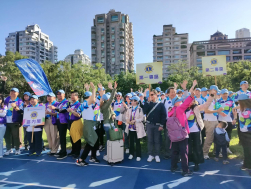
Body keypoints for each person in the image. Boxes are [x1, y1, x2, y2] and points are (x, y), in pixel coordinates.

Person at [72, 82, 100, 166]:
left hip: (94, 124)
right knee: (90, 142)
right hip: (90, 124)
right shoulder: (85, 103)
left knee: (95, 141)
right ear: (90, 97)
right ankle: (81, 159)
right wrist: (94, 89)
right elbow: (93, 100)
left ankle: (93, 157)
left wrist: (87, 90)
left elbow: (78, 114)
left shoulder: (84, 104)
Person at [168, 90, 195, 176]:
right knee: (184, 152)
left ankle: (173, 166)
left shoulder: (171, 111)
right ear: (176, 102)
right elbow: (186, 103)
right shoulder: (179, 109)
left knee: (174, 151)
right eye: (179, 101)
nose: (181, 102)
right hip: (182, 133)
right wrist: (191, 96)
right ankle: (185, 170)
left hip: (173, 134)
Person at [186, 92, 214, 171]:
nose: (191, 102)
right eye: (189, 100)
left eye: (192, 100)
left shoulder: (196, 107)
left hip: (196, 131)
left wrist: (211, 96)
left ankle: (196, 163)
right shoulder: (183, 108)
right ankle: (186, 162)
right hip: (186, 131)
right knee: (188, 147)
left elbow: (206, 105)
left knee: (197, 147)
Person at [143, 88, 166, 163]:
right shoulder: (148, 103)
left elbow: (164, 115)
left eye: (152, 95)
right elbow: (144, 111)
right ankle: (150, 154)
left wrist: (161, 125)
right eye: (150, 95)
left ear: (156, 95)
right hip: (149, 124)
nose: (151, 96)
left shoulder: (161, 104)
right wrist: (147, 102)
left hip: (157, 125)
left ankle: (157, 154)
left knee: (157, 140)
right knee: (150, 140)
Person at [203, 85, 224, 160]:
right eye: (216, 91)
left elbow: (217, 109)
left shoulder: (215, 99)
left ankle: (216, 152)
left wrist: (221, 112)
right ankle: (205, 153)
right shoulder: (206, 99)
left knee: (218, 137)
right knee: (209, 138)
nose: (217, 92)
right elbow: (206, 111)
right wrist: (217, 111)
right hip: (209, 121)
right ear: (212, 90)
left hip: (215, 120)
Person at [49, 90, 69, 160]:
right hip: (58, 121)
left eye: (60, 94)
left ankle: (64, 153)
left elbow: (63, 110)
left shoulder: (66, 102)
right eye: (57, 94)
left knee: (63, 137)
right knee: (61, 136)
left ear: (64, 94)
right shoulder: (60, 103)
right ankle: (62, 150)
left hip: (63, 122)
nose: (59, 95)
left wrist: (55, 108)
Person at [100, 82, 117, 161]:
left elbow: (111, 112)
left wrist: (113, 114)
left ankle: (109, 153)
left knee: (110, 139)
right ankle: (106, 154)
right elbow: (112, 98)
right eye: (109, 98)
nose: (111, 99)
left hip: (110, 124)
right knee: (109, 140)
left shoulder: (106, 105)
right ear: (107, 99)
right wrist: (113, 89)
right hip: (108, 125)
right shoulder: (106, 105)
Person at [233, 94, 251, 170]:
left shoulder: (249, 110)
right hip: (243, 132)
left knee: (248, 149)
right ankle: (247, 164)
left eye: (239, 102)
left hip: (248, 132)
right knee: (246, 149)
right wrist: (235, 118)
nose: (238, 103)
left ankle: (248, 165)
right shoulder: (241, 108)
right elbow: (235, 108)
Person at [125, 96, 146, 161]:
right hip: (130, 128)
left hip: (137, 128)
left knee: (137, 142)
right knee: (131, 141)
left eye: (132, 100)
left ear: (136, 101)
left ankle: (138, 155)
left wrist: (135, 121)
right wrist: (128, 120)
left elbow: (141, 118)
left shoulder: (140, 109)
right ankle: (131, 154)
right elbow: (127, 116)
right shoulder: (129, 108)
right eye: (131, 101)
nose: (131, 102)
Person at [4, 88, 23, 155]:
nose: (12, 93)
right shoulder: (6, 99)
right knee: (7, 136)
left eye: (14, 92)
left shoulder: (20, 101)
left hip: (15, 121)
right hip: (6, 121)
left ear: (17, 93)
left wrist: (16, 107)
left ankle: (17, 149)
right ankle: (9, 149)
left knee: (15, 136)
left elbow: (22, 111)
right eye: (11, 91)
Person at [217, 89, 235, 154]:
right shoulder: (218, 101)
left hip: (229, 120)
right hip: (221, 120)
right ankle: (221, 149)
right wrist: (221, 113)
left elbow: (234, 110)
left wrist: (235, 118)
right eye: (223, 94)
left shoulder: (231, 101)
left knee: (229, 135)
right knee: (221, 135)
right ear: (221, 94)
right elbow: (216, 110)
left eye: (226, 93)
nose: (225, 95)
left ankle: (227, 148)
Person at [67, 91, 82, 159]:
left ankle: (77, 153)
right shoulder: (71, 104)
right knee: (72, 137)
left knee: (77, 138)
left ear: (77, 97)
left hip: (76, 121)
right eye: (71, 95)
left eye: (73, 95)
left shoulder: (79, 104)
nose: (72, 97)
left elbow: (78, 115)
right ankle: (73, 151)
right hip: (71, 121)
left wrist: (71, 111)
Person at [96, 84, 106, 153]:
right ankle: (100, 144)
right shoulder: (97, 99)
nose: (103, 91)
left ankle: (103, 144)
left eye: (103, 90)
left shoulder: (106, 97)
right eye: (101, 91)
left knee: (104, 132)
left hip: (105, 117)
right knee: (99, 132)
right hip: (99, 118)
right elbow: (99, 105)